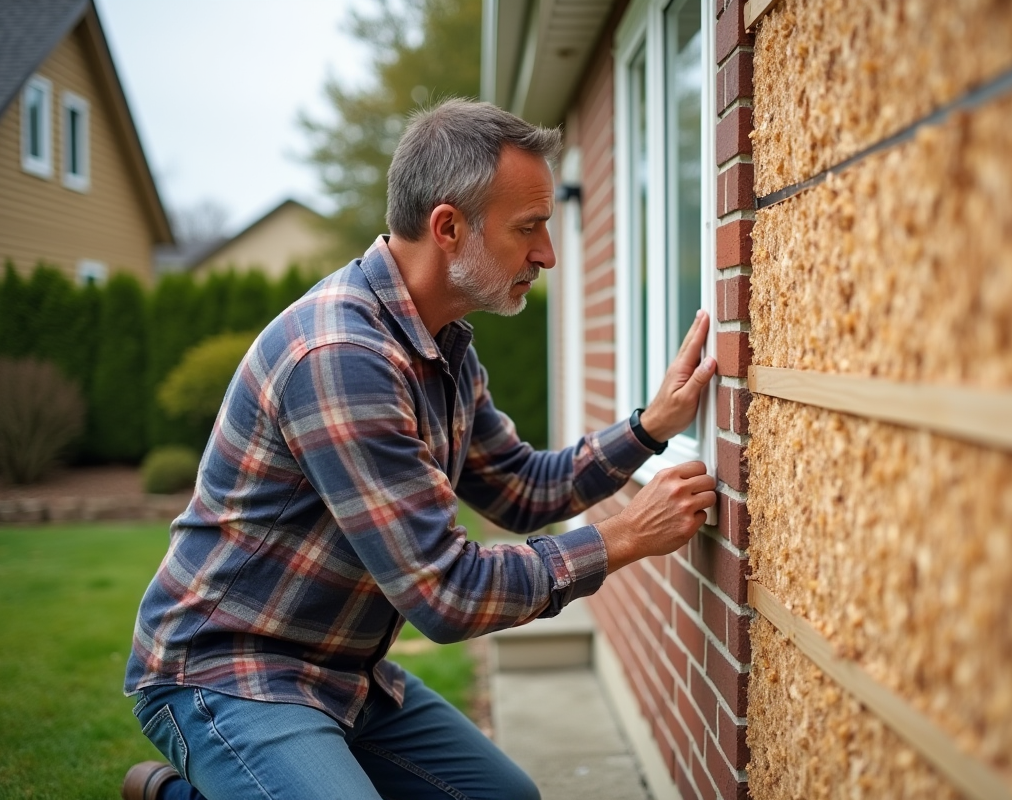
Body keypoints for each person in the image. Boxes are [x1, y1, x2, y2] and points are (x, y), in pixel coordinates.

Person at [122, 98, 717, 800]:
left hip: (343, 671)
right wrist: (621, 539)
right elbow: (446, 593)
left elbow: (522, 491)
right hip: (225, 671)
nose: (547, 255)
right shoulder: (342, 356)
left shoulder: (444, 346)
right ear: (448, 226)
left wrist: (649, 428)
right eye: (530, 228)